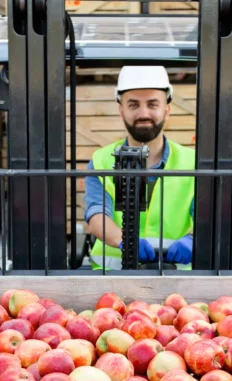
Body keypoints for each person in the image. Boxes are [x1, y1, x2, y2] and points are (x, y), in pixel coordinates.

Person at [84, 66, 196, 270]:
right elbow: (97, 213)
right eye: (133, 105)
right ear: (121, 111)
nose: (143, 113)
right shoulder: (101, 160)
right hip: (110, 279)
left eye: (152, 104)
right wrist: (124, 242)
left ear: (166, 110)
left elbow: (208, 218)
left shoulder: (194, 163)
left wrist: (196, 240)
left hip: (177, 281)